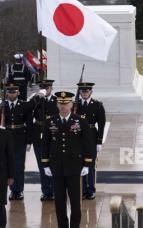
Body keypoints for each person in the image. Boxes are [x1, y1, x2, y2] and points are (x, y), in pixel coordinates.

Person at [42, 91, 93, 228]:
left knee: (76, 202)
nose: (63, 106)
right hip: (56, 167)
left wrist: (87, 164)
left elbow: (87, 143)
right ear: (57, 105)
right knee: (59, 201)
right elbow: (45, 144)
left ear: (72, 104)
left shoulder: (80, 121)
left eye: (66, 103)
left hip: (75, 166)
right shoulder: (50, 121)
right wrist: (45, 164)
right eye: (60, 103)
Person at [0, 85, 33, 201]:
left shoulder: (24, 105)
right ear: (7, 94)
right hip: (6, 138)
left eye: (14, 92)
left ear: (18, 93)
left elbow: (29, 124)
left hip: (20, 138)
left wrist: (29, 140)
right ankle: (12, 190)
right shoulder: (2, 106)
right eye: (10, 92)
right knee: (9, 165)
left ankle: (19, 190)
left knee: (19, 166)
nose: (12, 94)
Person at [75, 82, 106, 200]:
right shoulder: (75, 105)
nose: (84, 93)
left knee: (91, 165)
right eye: (82, 91)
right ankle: (81, 189)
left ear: (91, 92)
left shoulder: (97, 105)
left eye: (86, 91)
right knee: (79, 164)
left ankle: (91, 189)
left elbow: (101, 125)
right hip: (77, 138)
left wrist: (99, 141)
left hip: (91, 137)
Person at [29, 79, 58, 201]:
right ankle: (46, 191)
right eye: (43, 87)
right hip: (38, 133)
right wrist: (37, 98)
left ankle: (56, 190)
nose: (45, 90)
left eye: (47, 88)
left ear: (51, 88)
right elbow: (28, 112)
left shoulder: (57, 101)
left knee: (54, 164)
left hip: (53, 134)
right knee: (42, 165)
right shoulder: (35, 99)